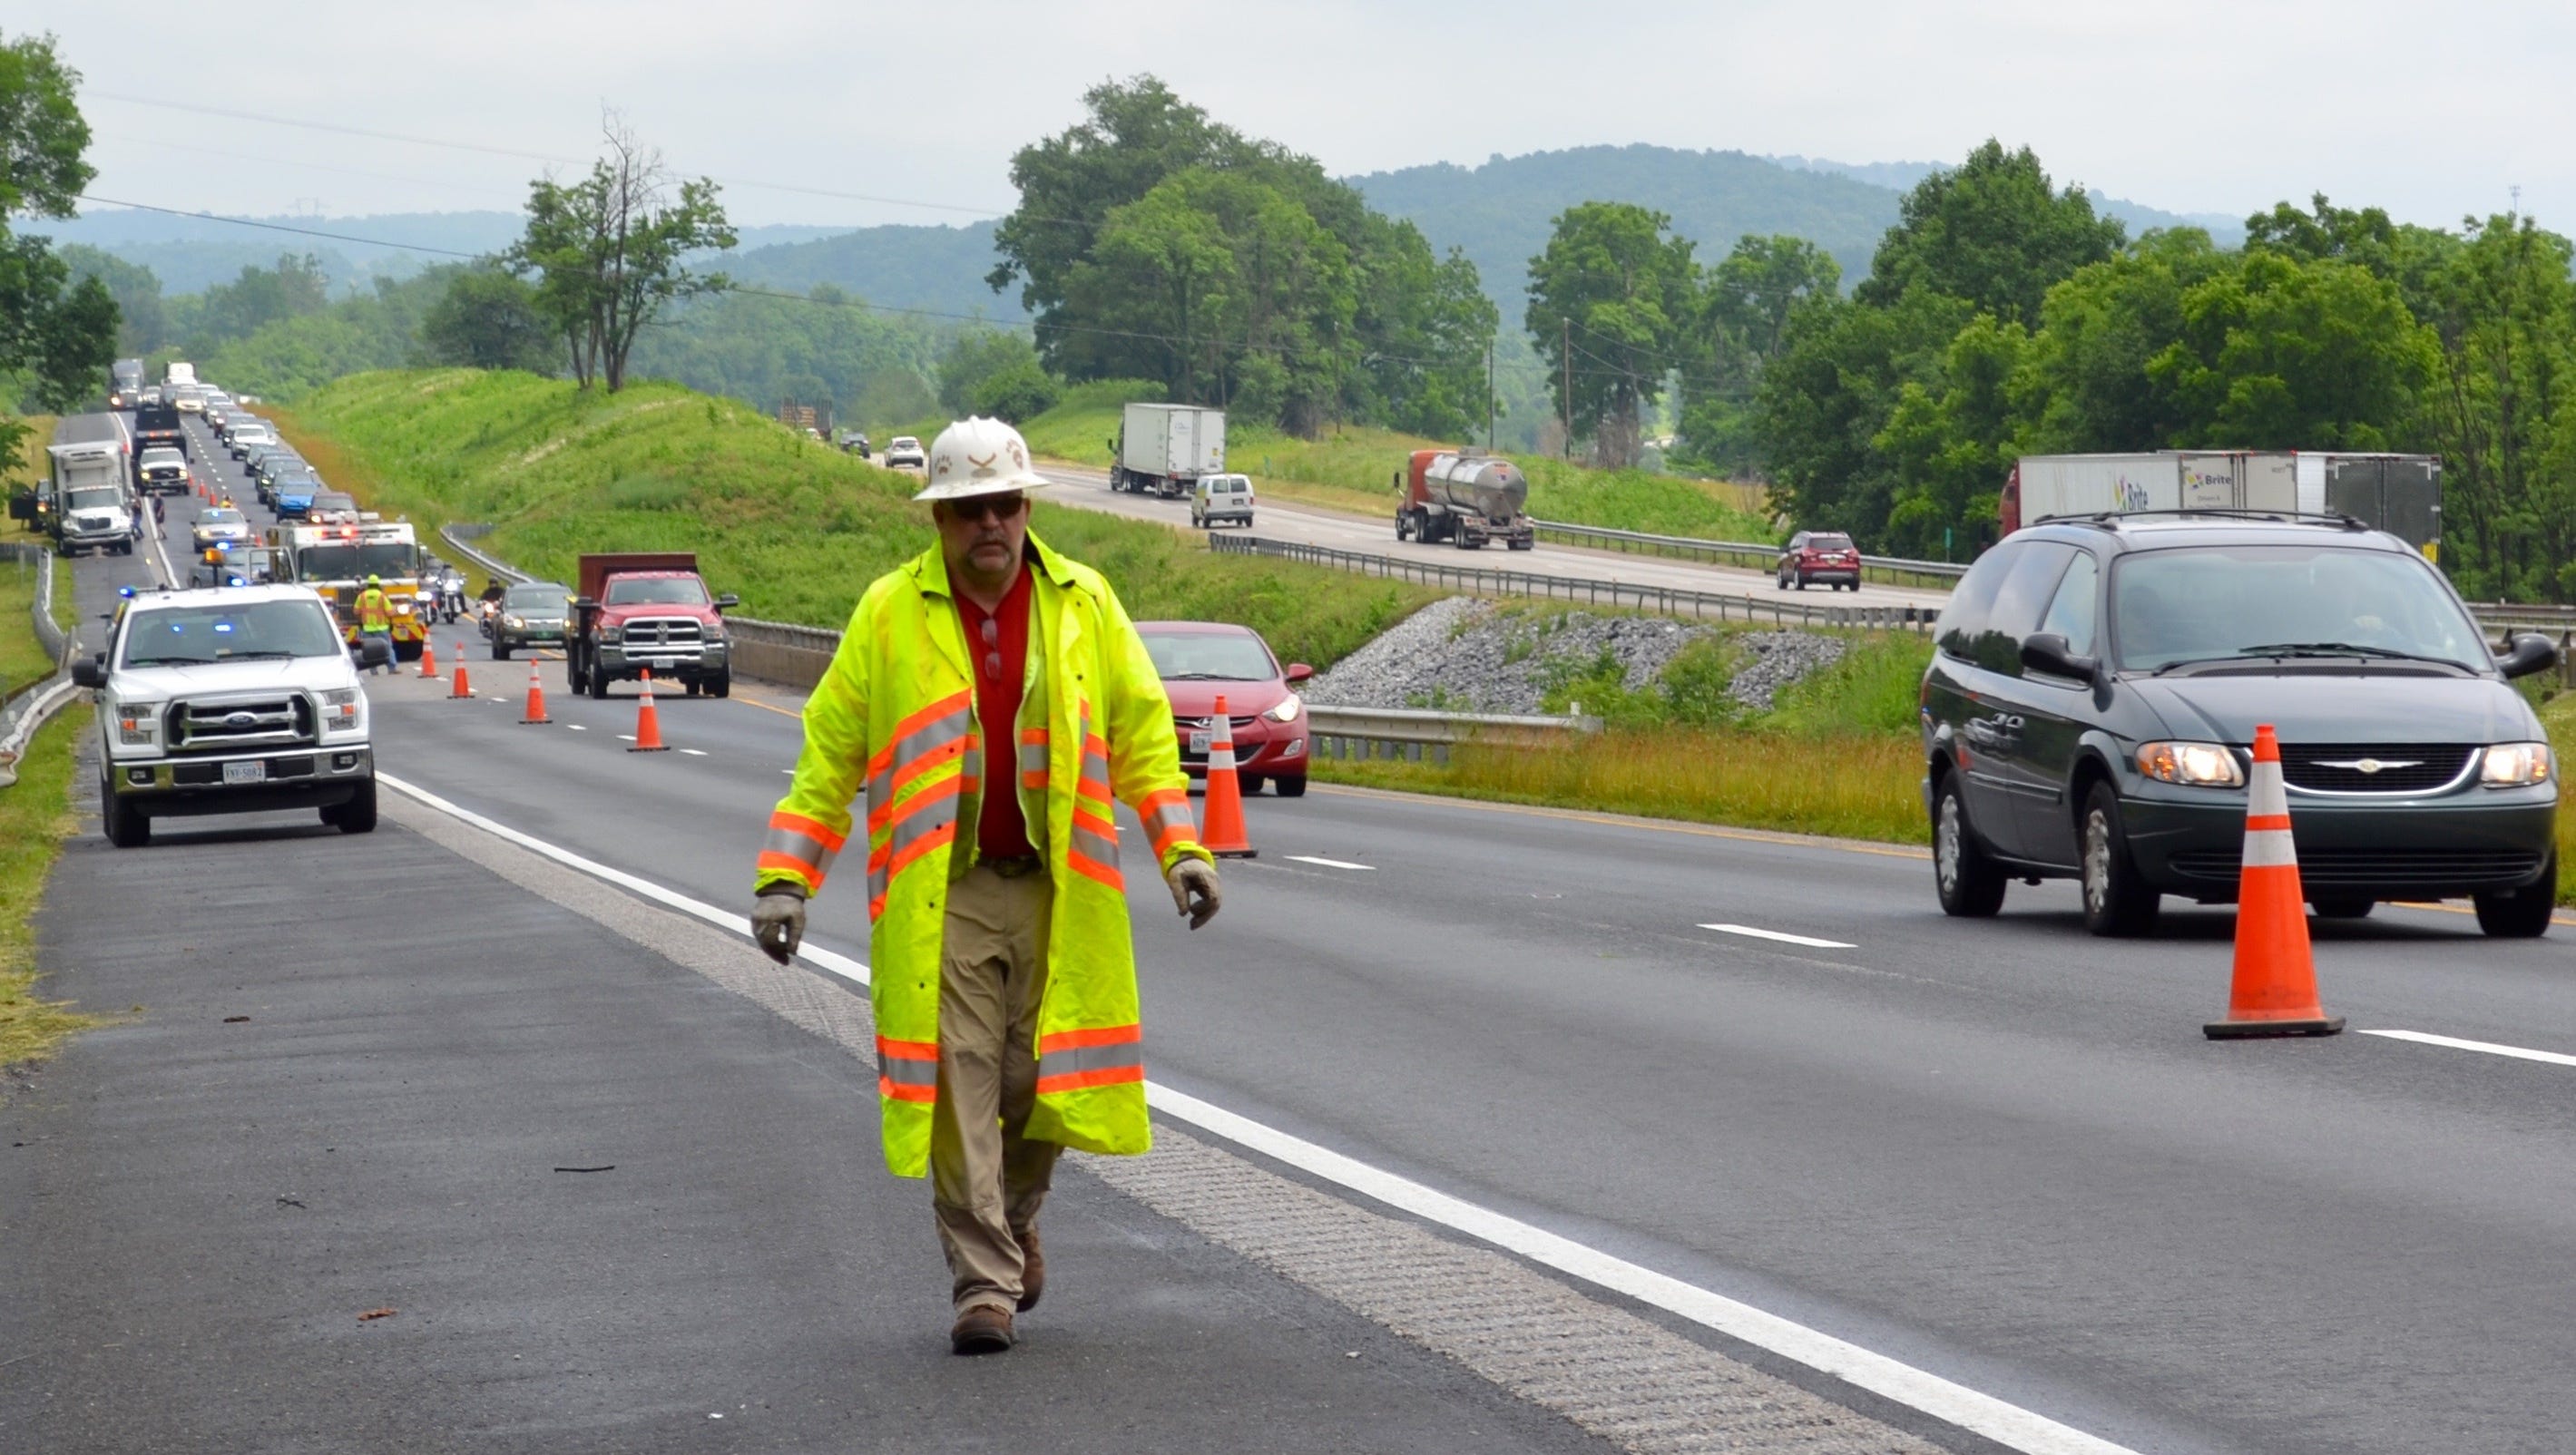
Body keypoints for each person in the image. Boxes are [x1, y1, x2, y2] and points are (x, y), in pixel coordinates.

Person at [749, 416, 1221, 1356]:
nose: (990, 525)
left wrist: (1182, 851)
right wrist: (786, 877)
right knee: (961, 1086)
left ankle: (1015, 1210)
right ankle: (983, 1284)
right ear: (940, 519)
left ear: (1027, 506)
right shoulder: (889, 612)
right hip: (946, 894)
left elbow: (1142, 733)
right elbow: (831, 753)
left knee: (1040, 1080)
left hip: (1061, 888)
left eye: (1005, 504)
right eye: (969, 510)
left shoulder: (1084, 601)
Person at [352, 573, 394, 675]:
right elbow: (389, 613)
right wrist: (392, 619)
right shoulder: (382, 596)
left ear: (369, 585)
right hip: (382, 628)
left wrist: (362, 620)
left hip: (367, 628)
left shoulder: (362, 596)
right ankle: (391, 668)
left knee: (370, 651)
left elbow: (356, 612)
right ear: (378, 584)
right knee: (388, 648)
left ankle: (373, 670)